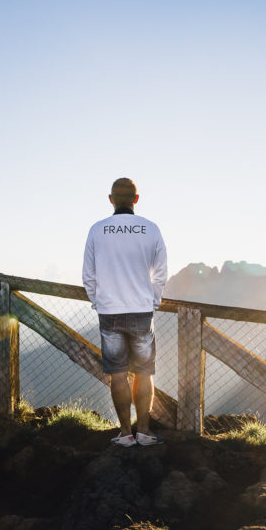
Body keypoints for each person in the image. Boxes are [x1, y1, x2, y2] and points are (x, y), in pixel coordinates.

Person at [82, 178, 168, 447]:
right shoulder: (151, 229)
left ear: (111, 199)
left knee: (117, 375)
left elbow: (88, 275)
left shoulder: (97, 230)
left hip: (110, 312)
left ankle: (124, 433)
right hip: (142, 310)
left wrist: (99, 301)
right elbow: (161, 273)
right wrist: (152, 300)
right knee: (144, 373)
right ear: (136, 199)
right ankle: (143, 431)